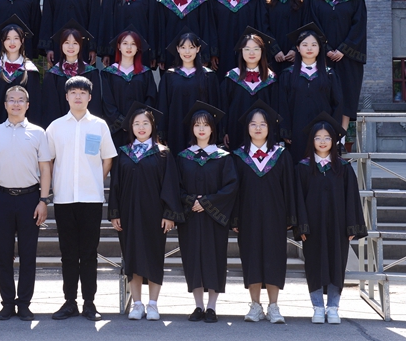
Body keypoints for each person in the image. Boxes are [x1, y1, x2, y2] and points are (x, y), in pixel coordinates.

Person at [46, 76, 117, 321]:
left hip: (91, 199)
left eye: (83, 92)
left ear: (90, 97)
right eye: (73, 92)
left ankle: (89, 303)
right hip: (64, 198)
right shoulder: (55, 127)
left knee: (89, 252)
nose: (78, 96)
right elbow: (48, 160)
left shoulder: (99, 125)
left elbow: (108, 158)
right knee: (68, 253)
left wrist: (95, 179)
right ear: (66, 96)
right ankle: (69, 302)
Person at [108, 102, 183, 321]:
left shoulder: (163, 153)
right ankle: (137, 304)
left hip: (154, 215)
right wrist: (114, 213)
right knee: (131, 256)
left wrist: (169, 214)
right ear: (131, 127)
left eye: (145, 123)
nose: (141, 127)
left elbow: (170, 186)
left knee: (154, 256)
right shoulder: (123, 154)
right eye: (136, 124)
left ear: (153, 126)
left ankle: (153, 304)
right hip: (128, 213)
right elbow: (115, 185)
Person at [0, 86, 52, 321]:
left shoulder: (38, 132)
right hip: (2, 199)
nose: (16, 103)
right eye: (11, 100)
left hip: (29, 199)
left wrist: (43, 200)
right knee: (3, 254)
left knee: (28, 254)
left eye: (20, 100)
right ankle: (7, 303)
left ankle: (24, 303)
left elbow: (45, 169)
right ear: (5, 105)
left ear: (27, 105)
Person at [294, 112, 367, 325]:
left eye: (327, 137)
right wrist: (302, 226)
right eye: (318, 137)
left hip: (338, 226)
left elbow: (352, 198)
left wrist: (351, 226)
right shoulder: (303, 168)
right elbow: (298, 199)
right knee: (313, 265)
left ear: (334, 140)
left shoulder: (343, 168)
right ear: (312, 140)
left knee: (337, 264)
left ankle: (333, 307)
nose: (323, 141)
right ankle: (317, 307)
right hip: (312, 226)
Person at [229, 100, 295, 325]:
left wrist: (290, 216)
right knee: (251, 258)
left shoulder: (281, 155)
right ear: (247, 127)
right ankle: (255, 305)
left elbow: (289, 188)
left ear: (270, 127)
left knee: (274, 258)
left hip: (275, 216)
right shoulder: (239, 156)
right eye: (253, 124)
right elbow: (234, 191)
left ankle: (274, 306)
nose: (258, 128)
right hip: (248, 216)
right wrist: (235, 217)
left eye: (263, 124)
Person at [176, 101, 238, 324]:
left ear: (213, 128)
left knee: (214, 259)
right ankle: (198, 305)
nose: (201, 129)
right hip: (191, 216)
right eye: (197, 125)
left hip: (214, 218)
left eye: (205, 125)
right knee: (193, 259)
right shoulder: (183, 157)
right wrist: (191, 201)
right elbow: (176, 186)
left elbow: (231, 186)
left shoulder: (223, 157)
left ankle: (212, 306)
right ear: (192, 129)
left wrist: (207, 202)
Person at [310, 0, 367, 138]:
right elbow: (314, 27)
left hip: (348, 59)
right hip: (323, 57)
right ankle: (324, 138)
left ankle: (340, 139)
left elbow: (358, 28)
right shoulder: (315, 1)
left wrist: (343, 49)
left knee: (346, 97)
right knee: (324, 96)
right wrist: (325, 49)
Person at [279, 23, 344, 162]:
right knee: (297, 166)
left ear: (320, 48)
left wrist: (332, 130)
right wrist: (285, 131)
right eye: (305, 44)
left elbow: (337, 104)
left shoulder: (329, 74)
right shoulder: (288, 74)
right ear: (297, 48)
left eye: (314, 45)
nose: (309, 48)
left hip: (322, 133)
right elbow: (282, 104)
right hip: (296, 131)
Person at [157, 29, 220, 157]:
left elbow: (215, 105)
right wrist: (162, 133)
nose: (187, 52)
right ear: (177, 49)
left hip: (202, 131)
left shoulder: (208, 76)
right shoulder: (169, 76)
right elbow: (163, 106)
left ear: (198, 49)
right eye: (183, 47)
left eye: (191, 47)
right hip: (176, 129)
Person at [219, 27, 278, 151]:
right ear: (241, 52)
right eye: (247, 49)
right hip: (236, 130)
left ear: (262, 51)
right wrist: (224, 131)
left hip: (263, 134)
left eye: (256, 49)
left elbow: (275, 108)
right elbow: (224, 106)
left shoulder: (270, 79)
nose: (252, 53)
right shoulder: (231, 78)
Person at [100, 26, 157, 150]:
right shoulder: (108, 73)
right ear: (119, 46)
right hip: (116, 130)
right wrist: (123, 122)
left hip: (140, 130)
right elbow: (108, 102)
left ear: (138, 48)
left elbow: (151, 97)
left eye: (133, 44)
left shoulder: (145, 73)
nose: (129, 47)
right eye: (125, 43)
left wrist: (138, 121)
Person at [0, 15, 42, 130]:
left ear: (22, 41)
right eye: (8, 38)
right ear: (2, 41)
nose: (12, 42)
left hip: (23, 129)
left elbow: (35, 105)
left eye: (16, 38)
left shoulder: (30, 70)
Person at [40, 20, 102, 128]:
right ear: (61, 45)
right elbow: (50, 107)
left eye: (75, 43)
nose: (71, 47)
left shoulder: (91, 73)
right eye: (66, 43)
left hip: (86, 127)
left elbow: (95, 105)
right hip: (60, 129)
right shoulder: (52, 75)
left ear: (80, 45)